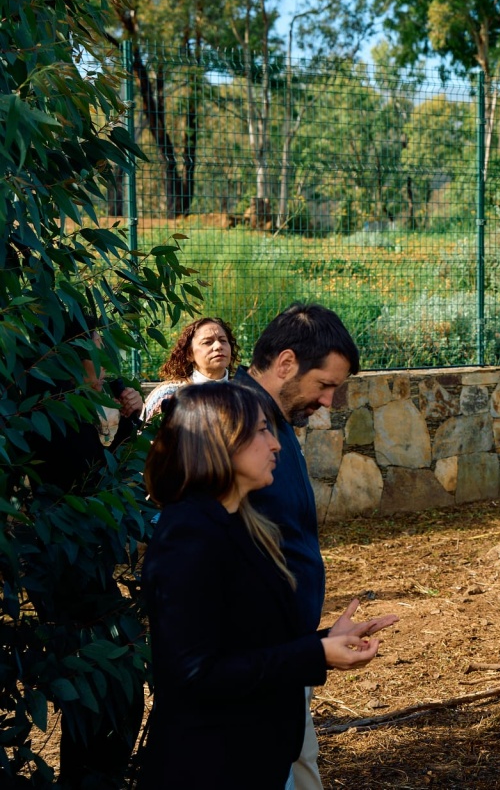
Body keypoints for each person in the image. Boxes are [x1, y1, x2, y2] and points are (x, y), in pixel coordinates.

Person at [139, 382, 388, 789]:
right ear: (218, 440)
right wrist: (315, 652)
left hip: (255, 759)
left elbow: (246, 642)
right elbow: (196, 673)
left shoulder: (240, 523)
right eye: (261, 431)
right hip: (211, 767)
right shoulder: (189, 536)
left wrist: (326, 641)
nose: (276, 445)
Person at [233, 302, 392, 790]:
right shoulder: (234, 425)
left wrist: (316, 638)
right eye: (323, 385)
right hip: (253, 672)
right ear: (285, 364)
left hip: (286, 657)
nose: (328, 401)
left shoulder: (272, 419)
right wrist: (305, 650)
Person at [25, 341, 146, 789]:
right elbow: (102, 483)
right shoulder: (54, 423)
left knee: (109, 694)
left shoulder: (62, 416)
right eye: (96, 359)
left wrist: (129, 421)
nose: (105, 371)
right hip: (71, 581)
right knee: (110, 692)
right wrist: (130, 425)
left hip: (79, 577)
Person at [142, 317, 239, 421]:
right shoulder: (168, 394)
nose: (218, 346)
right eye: (207, 342)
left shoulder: (245, 394)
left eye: (223, 340)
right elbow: (142, 434)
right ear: (189, 354)